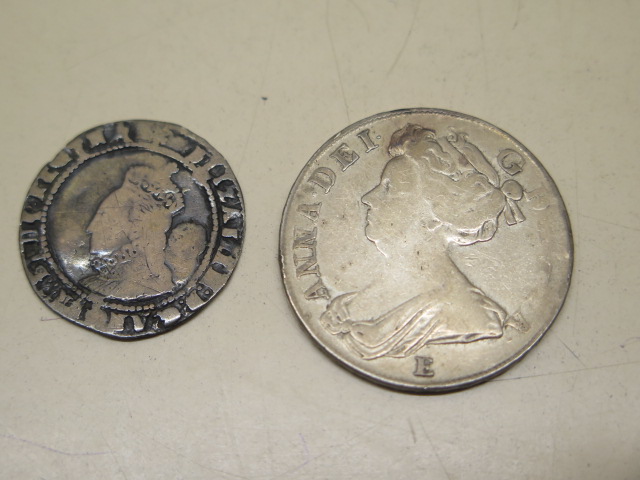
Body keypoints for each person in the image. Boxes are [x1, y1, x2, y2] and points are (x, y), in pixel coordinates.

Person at [320, 124, 527, 360]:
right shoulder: (348, 305)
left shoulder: (470, 318)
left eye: (389, 188)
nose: (368, 199)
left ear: (436, 216)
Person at [81, 157, 186, 298]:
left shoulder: (148, 289)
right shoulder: (96, 284)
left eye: (105, 215)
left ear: (137, 227)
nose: (91, 227)